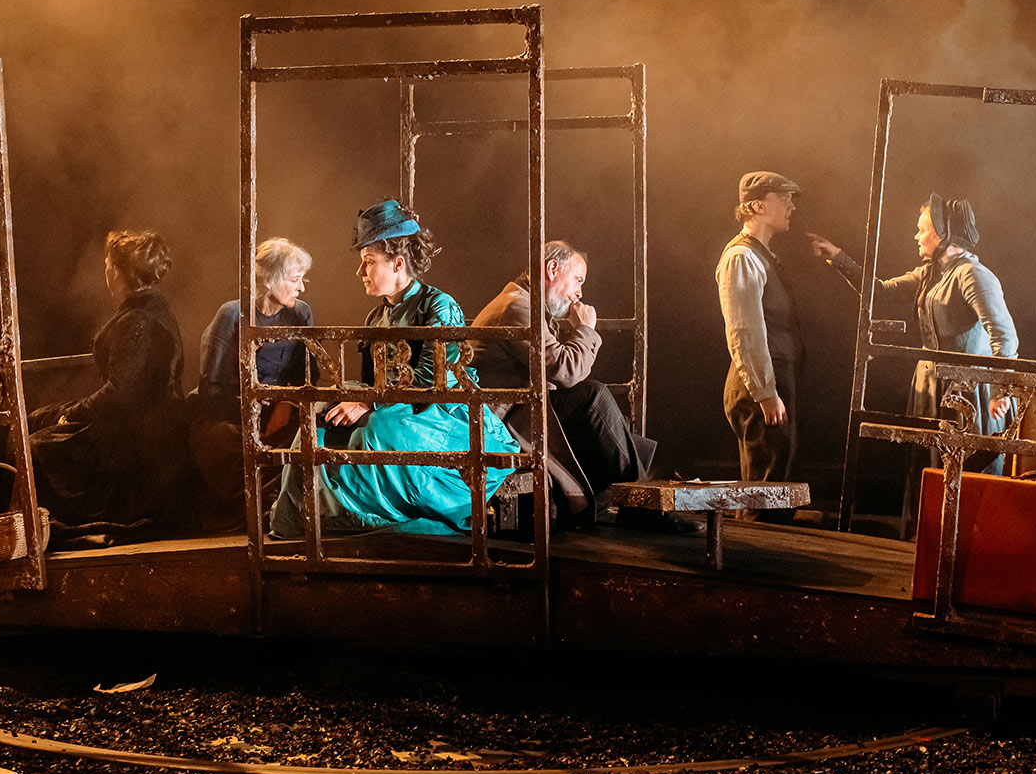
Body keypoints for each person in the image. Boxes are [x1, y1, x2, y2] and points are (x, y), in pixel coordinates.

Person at [269, 201, 521, 537]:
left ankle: (362, 516)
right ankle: (305, 513)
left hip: (442, 413)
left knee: (377, 430)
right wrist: (354, 399)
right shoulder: (376, 317)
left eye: (369, 262)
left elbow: (438, 378)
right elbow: (371, 380)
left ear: (398, 263)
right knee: (318, 416)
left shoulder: (438, 306)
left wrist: (372, 402)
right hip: (392, 405)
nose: (361, 273)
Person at [0, 229, 202, 543]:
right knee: (34, 419)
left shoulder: (138, 321)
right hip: (136, 422)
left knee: (36, 447)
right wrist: (65, 411)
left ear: (117, 273)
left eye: (107, 266)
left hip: (137, 438)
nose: (105, 272)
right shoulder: (147, 309)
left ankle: (49, 531)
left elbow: (120, 395)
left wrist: (70, 414)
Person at [471, 242, 693, 533]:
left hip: (523, 410)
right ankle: (642, 506)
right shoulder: (517, 307)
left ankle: (638, 501)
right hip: (503, 423)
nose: (579, 292)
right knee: (594, 396)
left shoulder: (525, 303)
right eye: (577, 280)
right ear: (552, 270)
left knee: (603, 415)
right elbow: (566, 370)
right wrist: (586, 330)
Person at [808, 192, 1019, 472]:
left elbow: (1003, 335)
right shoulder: (931, 273)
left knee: (965, 470)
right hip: (931, 388)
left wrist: (1000, 390)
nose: (916, 237)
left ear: (942, 234)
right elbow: (880, 292)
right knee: (929, 470)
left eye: (922, 230)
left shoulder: (972, 274)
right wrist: (838, 258)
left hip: (966, 393)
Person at [188, 238, 314, 530]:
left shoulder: (300, 313)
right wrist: (252, 420)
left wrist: (286, 403)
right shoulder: (232, 315)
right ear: (269, 280)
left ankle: (283, 509)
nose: (301, 287)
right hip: (227, 413)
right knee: (226, 443)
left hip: (276, 411)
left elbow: (308, 373)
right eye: (295, 279)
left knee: (310, 437)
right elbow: (211, 386)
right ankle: (243, 516)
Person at [716, 171, 805, 486]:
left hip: (772, 379)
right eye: (782, 199)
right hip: (759, 385)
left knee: (774, 482)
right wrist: (766, 393)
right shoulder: (742, 257)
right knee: (764, 490)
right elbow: (745, 332)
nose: (791, 206)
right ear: (757, 206)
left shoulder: (762, 255)